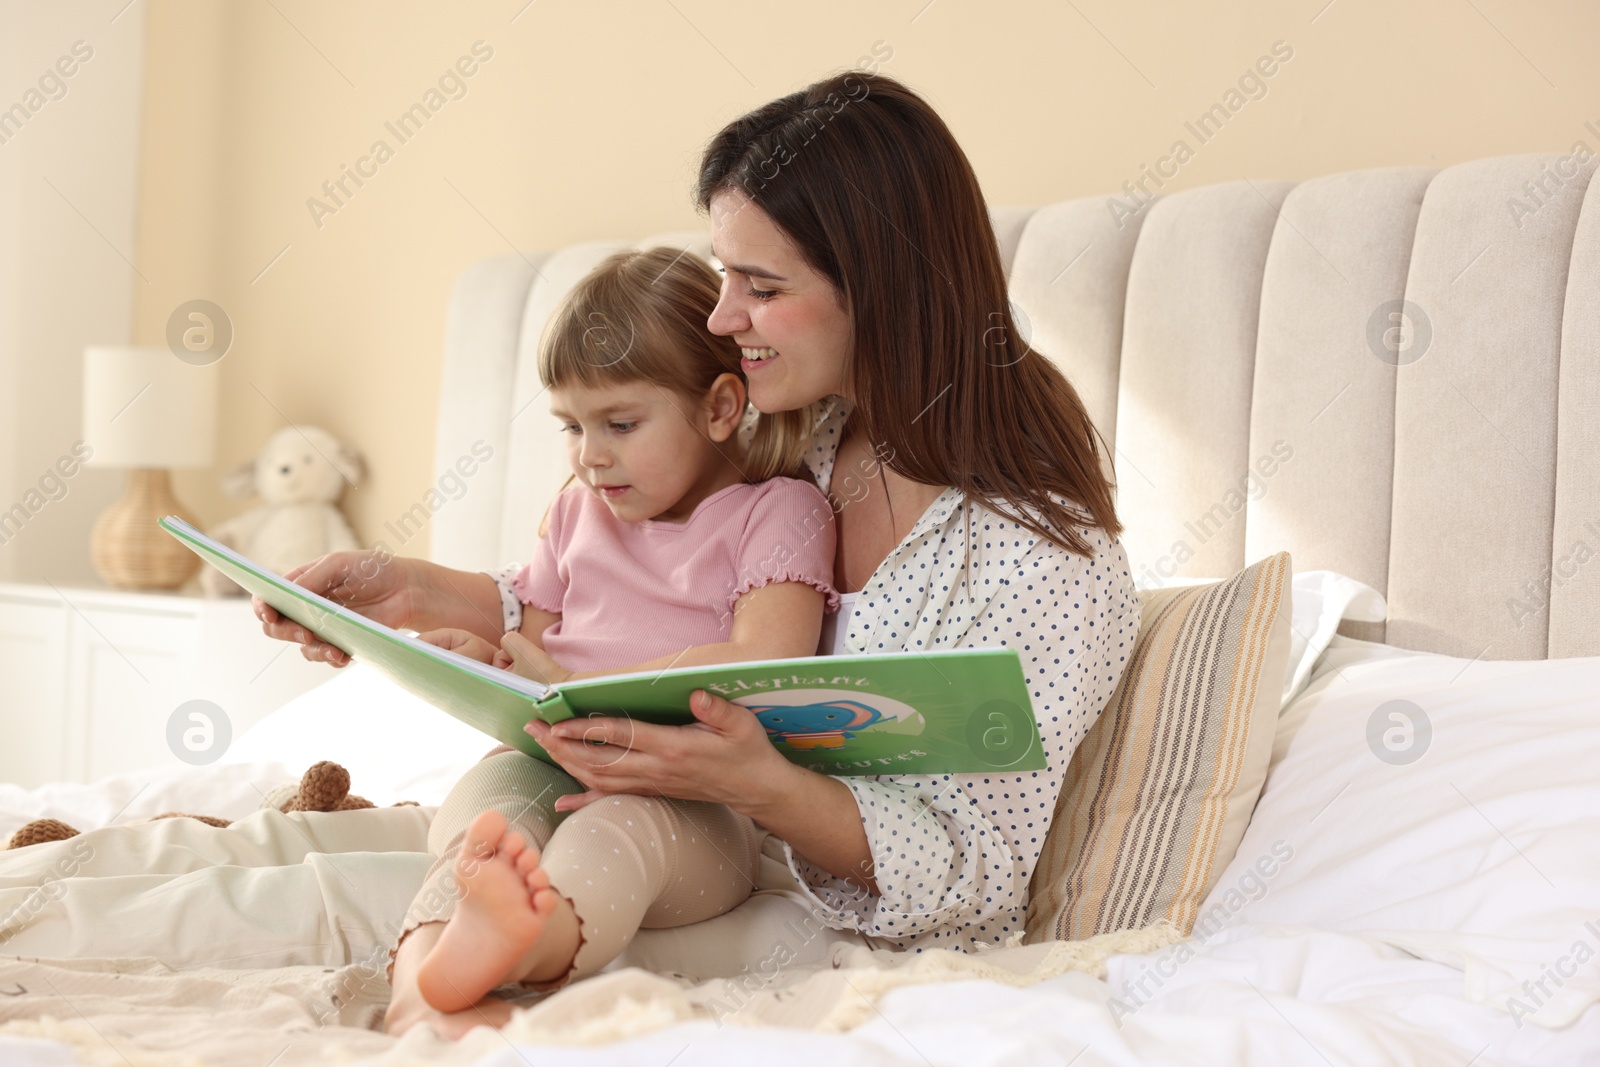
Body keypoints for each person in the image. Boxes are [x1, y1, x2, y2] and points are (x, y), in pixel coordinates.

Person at [255, 71, 1141, 1039]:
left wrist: (752, 781)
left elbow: (971, 875)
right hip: (647, 798)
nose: (721, 318)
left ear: (883, 289)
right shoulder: (796, 438)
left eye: (761, 287)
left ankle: (458, 971)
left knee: (591, 849)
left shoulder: (1035, 560)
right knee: (482, 824)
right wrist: (406, 594)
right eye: (725, 275)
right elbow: (616, 596)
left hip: (787, 884)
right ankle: (428, 979)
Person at [404, 245, 846, 1015]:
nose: (590, 456)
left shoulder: (777, 512)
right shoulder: (574, 512)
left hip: (693, 800)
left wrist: (589, 690)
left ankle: (533, 942)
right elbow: (533, 655)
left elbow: (767, 659)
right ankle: (423, 979)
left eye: (620, 422)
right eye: (570, 426)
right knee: (488, 822)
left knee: (616, 832)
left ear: (719, 407)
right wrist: (482, 660)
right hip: (548, 761)